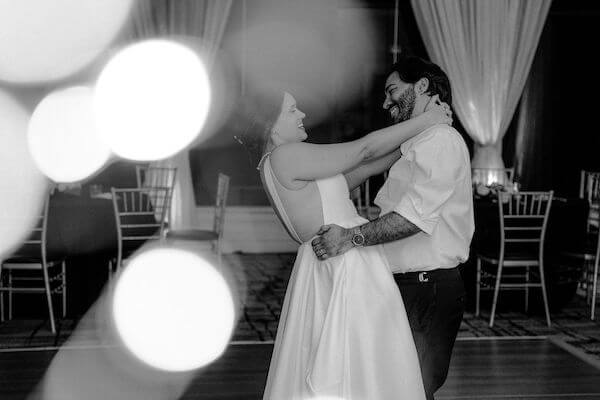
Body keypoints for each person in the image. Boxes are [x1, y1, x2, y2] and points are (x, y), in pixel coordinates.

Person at [235, 88, 451, 399]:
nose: (302, 115)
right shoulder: (285, 155)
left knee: (350, 357)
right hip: (344, 263)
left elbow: (361, 170)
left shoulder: (274, 163)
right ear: (271, 123)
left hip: (327, 265)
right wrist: (429, 118)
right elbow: (363, 150)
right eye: (292, 110)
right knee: (362, 358)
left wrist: (414, 138)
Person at [311, 55, 474, 400]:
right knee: (394, 387)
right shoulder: (419, 142)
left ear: (423, 85)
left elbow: (412, 219)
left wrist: (351, 237)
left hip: (427, 289)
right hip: (409, 286)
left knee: (413, 389)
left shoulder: (440, 142)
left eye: (392, 90)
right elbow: (368, 161)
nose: (386, 103)